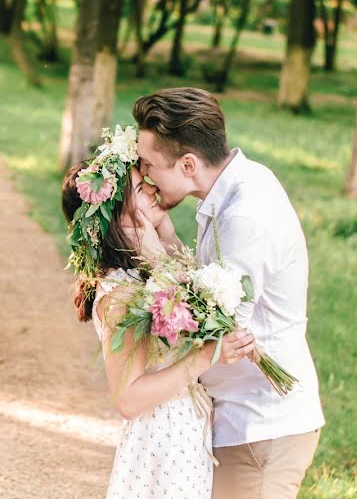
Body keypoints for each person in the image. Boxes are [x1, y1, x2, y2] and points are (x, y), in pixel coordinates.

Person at [132, 87, 325, 499]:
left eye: (150, 164)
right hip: (241, 416)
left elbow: (213, 325)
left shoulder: (245, 214)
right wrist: (165, 233)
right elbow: (210, 289)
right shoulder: (235, 186)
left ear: (188, 164)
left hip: (261, 422)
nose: (145, 176)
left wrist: (147, 248)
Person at [61, 127, 256, 499]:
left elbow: (197, 300)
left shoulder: (144, 272)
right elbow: (127, 399)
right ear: (115, 215)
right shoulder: (121, 294)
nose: (152, 187)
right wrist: (206, 356)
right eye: (140, 188)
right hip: (162, 442)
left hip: (186, 434)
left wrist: (162, 230)